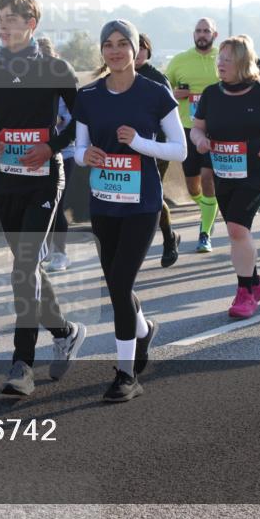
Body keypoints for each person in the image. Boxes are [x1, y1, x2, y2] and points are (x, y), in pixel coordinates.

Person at [0, 0, 87, 396]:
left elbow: (80, 120)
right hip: (6, 179)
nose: (3, 23)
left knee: (24, 266)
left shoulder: (55, 68)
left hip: (46, 179)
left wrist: (52, 146)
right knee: (27, 267)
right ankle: (65, 332)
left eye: (11, 17)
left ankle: (21, 365)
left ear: (31, 24)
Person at [74, 20, 186, 402]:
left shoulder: (155, 94)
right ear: (101, 51)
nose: (116, 51)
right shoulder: (88, 96)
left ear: (136, 48)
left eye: (124, 43)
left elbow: (179, 149)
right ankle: (142, 330)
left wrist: (139, 143)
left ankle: (125, 374)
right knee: (117, 286)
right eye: (109, 44)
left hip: (142, 205)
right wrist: (83, 155)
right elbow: (76, 150)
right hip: (104, 204)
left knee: (120, 285)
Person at [191, 36, 260, 318]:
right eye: (219, 59)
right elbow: (197, 127)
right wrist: (200, 140)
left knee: (236, 230)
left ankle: (245, 293)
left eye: (227, 59)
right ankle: (256, 282)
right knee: (239, 233)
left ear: (242, 62)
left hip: (254, 173)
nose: (220, 64)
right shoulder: (212, 94)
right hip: (223, 173)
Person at [166, 18, 221, 253]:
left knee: (208, 179)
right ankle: (210, 208)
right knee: (193, 187)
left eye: (206, 31)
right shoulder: (179, 61)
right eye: (198, 30)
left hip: (216, 129)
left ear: (214, 35)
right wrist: (175, 93)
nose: (202, 34)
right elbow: (164, 89)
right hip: (187, 128)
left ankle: (205, 233)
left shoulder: (224, 58)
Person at [135, 33, 181, 266]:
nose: (138, 52)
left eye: (142, 48)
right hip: (127, 147)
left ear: (148, 51)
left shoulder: (157, 78)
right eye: (134, 46)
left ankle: (169, 239)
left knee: (153, 194)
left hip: (157, 146)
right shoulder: (117, 76)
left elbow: (168, 117)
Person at [38, 36, 75, 272]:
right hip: (35, 152)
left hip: (64, 151)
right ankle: (43, 252)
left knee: (56, 202)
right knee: (39, 203)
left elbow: (76, 116)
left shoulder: (63, 79)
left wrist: (57, 120)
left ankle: (61, 254)